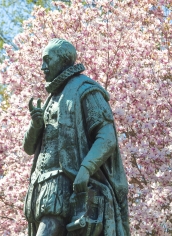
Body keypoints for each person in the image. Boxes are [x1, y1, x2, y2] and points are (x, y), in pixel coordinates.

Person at [23, 38, 130, 236]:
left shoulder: (85, 90)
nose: (42, 67)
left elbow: (106, 137)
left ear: (63, 61)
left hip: (68, 184)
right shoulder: (50, 99)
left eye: (47, 60)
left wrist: (85, 169)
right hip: (42, 184)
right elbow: (29, 148)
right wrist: (36, 126)